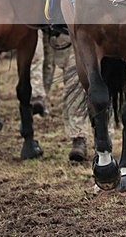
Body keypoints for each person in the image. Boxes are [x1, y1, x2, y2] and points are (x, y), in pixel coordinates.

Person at [29, 28, 91, 162]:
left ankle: (79, 137)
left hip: (69, 29)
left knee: (74, 82)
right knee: (39, 60)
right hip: (43, 23)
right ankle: (36, 96)